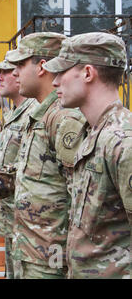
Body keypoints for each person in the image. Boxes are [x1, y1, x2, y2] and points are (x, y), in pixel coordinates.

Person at [0, 32, 87, 278]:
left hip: (51, 257)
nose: (14, 73)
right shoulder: (38, 117)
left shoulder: (65, 119)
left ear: (42, 67)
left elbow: (82, 197)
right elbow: (18, 176)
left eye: (21, 65)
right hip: (30, 250)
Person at [43, 32, 131, 278]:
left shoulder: (122, 142)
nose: (54, 82)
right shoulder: (93, 134)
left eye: (62, 72)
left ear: (88, 73)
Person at [0, 54, 38, 278]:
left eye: (5, 71)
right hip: (11, 223)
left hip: (29, 228)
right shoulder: (12, 115)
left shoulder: (34, 115)